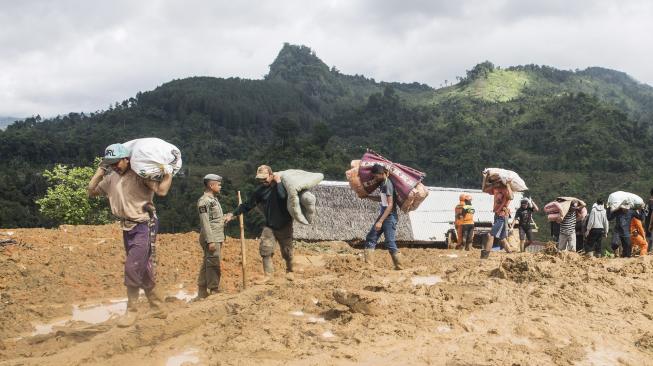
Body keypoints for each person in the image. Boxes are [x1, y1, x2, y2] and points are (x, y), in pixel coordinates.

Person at [88, 143, 172, 327]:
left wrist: (168, 173)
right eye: (111, 164)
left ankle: (131, 311)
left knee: (132, 266)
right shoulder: (111, 179)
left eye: (117, 162)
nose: (115, 166)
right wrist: (100, 172)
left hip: (144, 225)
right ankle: (158, 307)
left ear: (127, 159)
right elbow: (91, 190)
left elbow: (162, 191)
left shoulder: (140, 175)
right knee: (142, 267)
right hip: (127, 227)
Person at [225, 165, 294, 283]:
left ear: (271, 175)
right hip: (269, 225)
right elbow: (247, 205)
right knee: (265, 249)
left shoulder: (282, 186)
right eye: (260, 178)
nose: (263, 181)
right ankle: (269, 275)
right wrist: (233, 214)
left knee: (287, 251)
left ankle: (290, 271)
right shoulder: (260, 191)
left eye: (265, 178)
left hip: (284, 224)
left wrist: (278, 182)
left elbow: (283, 197)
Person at [362, 164, 404, 269]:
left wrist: (380, 221)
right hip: (384, 215)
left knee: (389, 241)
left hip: (389, 217)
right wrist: (368, 197)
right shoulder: (382, 184)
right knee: (371, 238)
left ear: (381, 174)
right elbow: (382, 199)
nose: (375, 178)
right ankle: (369, 265)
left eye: (376, 176)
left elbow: (389, 205)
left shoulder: (387, 184)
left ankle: (399, 265)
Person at [195, 174, 226, 299]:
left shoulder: (213, 199)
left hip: (217, 235)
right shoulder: (204, 201)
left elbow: (215, 219)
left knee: (207, 262)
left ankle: (202, 290)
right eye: (218, 184)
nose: (220, 187)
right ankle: (214, 289)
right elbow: (205, 222)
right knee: (213, 263)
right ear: (211, 185)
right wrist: (210, 240)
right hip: (211, 237)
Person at [481, 180, 513, 259]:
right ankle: (510, 253)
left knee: (490, 235)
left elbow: (511, 197)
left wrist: (508, 185)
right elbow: (484, 189)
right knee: (502, 238)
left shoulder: (506, 191)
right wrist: (485, 178)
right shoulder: (495, 189)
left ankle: (485, 256)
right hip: (496, 215)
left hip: (502, 216)